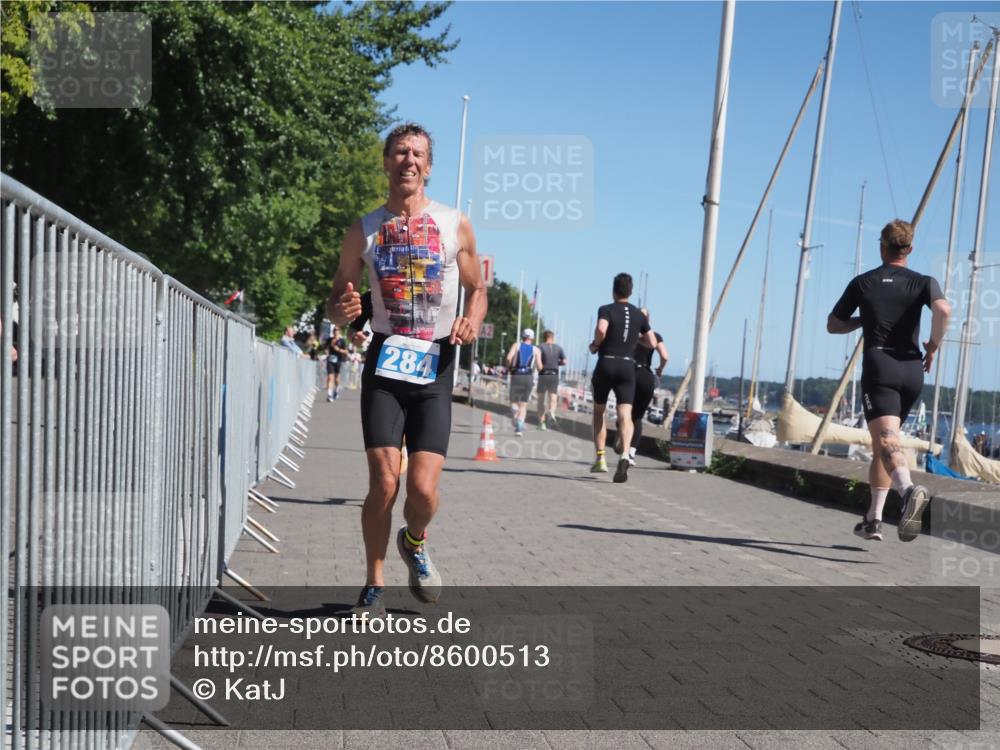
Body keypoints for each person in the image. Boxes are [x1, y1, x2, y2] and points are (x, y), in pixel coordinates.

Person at [326, 122, 487, 615]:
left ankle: (414, 541)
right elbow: (336, 299)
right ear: (387, 162)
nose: (408, 161)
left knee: (421, 489)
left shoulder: (454, 223)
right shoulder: (363, 229)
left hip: (435, 364)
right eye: (400, 152)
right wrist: (344, 312)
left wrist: (471, 321)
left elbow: (478, 289)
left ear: (429, 167)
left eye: (417, 154)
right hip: (385, 364)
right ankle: (374, 580)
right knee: (384, 482)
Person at [828, 219, 950, 542]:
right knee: (885, 444)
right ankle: (873, 518)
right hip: (912, 369)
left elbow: (833, 324)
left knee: (886, 442)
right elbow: (944, 311)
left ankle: (908, 491)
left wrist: (861, 321)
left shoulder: (863, 283)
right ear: (909, 249)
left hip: (880, 366)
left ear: (882, 246)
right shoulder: (924, 282)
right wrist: (933, 346)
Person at [589, 273, 657, 482]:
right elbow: (653, 342)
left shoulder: (606, 309)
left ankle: (600, 458)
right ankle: (625, 454)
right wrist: (634, 339)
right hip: (628, 366)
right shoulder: (639, 315)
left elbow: (601, 329)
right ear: (631, 291)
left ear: (613, 290)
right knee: (625, 414)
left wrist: (596, 344)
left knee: (599, 411)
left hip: (607, 362)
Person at [629, 308, 669, 466]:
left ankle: (621, 438)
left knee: (624, 412)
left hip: (629, 374)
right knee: (637, 417)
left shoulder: (629, 335)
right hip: (646, 375)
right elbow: (665, 356)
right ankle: (631, 453)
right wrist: (660, 369)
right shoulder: (656, 337)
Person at [505, 328, 542, 437]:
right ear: (532, 338)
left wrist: (509, 366)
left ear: (523, 336)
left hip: (517, 375)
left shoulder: (517, 345)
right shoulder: (536, 350)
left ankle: (516, 415)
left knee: (513, 401)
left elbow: (508, 358)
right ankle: (519, 428)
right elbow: (540, 367)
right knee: (524, 404)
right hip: (528, 377)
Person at [536, 330, 566, 430]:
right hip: (554, 374)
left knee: (540, 400)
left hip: (544, 374)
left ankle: (542, 423)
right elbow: (565, 361)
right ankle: (552, 412)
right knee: (553, 396)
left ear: (544, 338)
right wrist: (557, 363)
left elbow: (538, 361)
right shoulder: (559, 348)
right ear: (552, 337)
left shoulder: (540, 347)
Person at [325, 332, 349, 401]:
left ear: (339, 332)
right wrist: (327, 351)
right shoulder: (330, 340)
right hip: (330, 360)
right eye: (334, 331)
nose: (336, 333)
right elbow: (325, 348)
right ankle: (329, 395)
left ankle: (336, 391)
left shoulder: (342, 341)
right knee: (330, 377)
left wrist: (338, 349)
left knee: (336, 378)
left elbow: (346, 351)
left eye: (337, 332)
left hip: (338, 360)